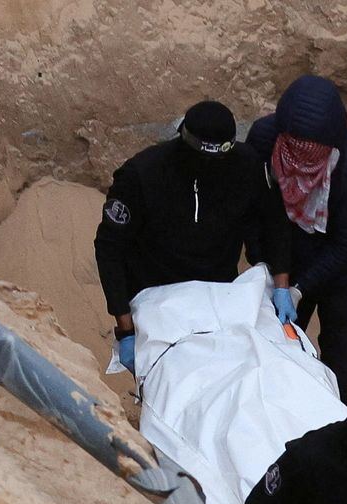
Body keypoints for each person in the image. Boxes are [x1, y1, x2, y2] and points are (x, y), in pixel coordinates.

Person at [94, 100, 294, 374]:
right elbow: (109, 248)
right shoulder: (141, 175)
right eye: (204, 160)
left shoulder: (246, 166)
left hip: (218, 293)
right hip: (156, 299)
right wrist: (125, 329)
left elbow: (274, 221)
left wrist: (281, 285)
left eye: (221, 160)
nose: (212, 168)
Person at [246, 75, 347, 401]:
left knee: (343, 369)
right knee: (279, 354)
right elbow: (253, 206)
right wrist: (265, 265)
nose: (300, 160)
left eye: (310, 152)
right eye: (293, 147)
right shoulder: (265, 140)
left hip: (345, 274)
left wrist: (299, 289)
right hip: (286, 258)